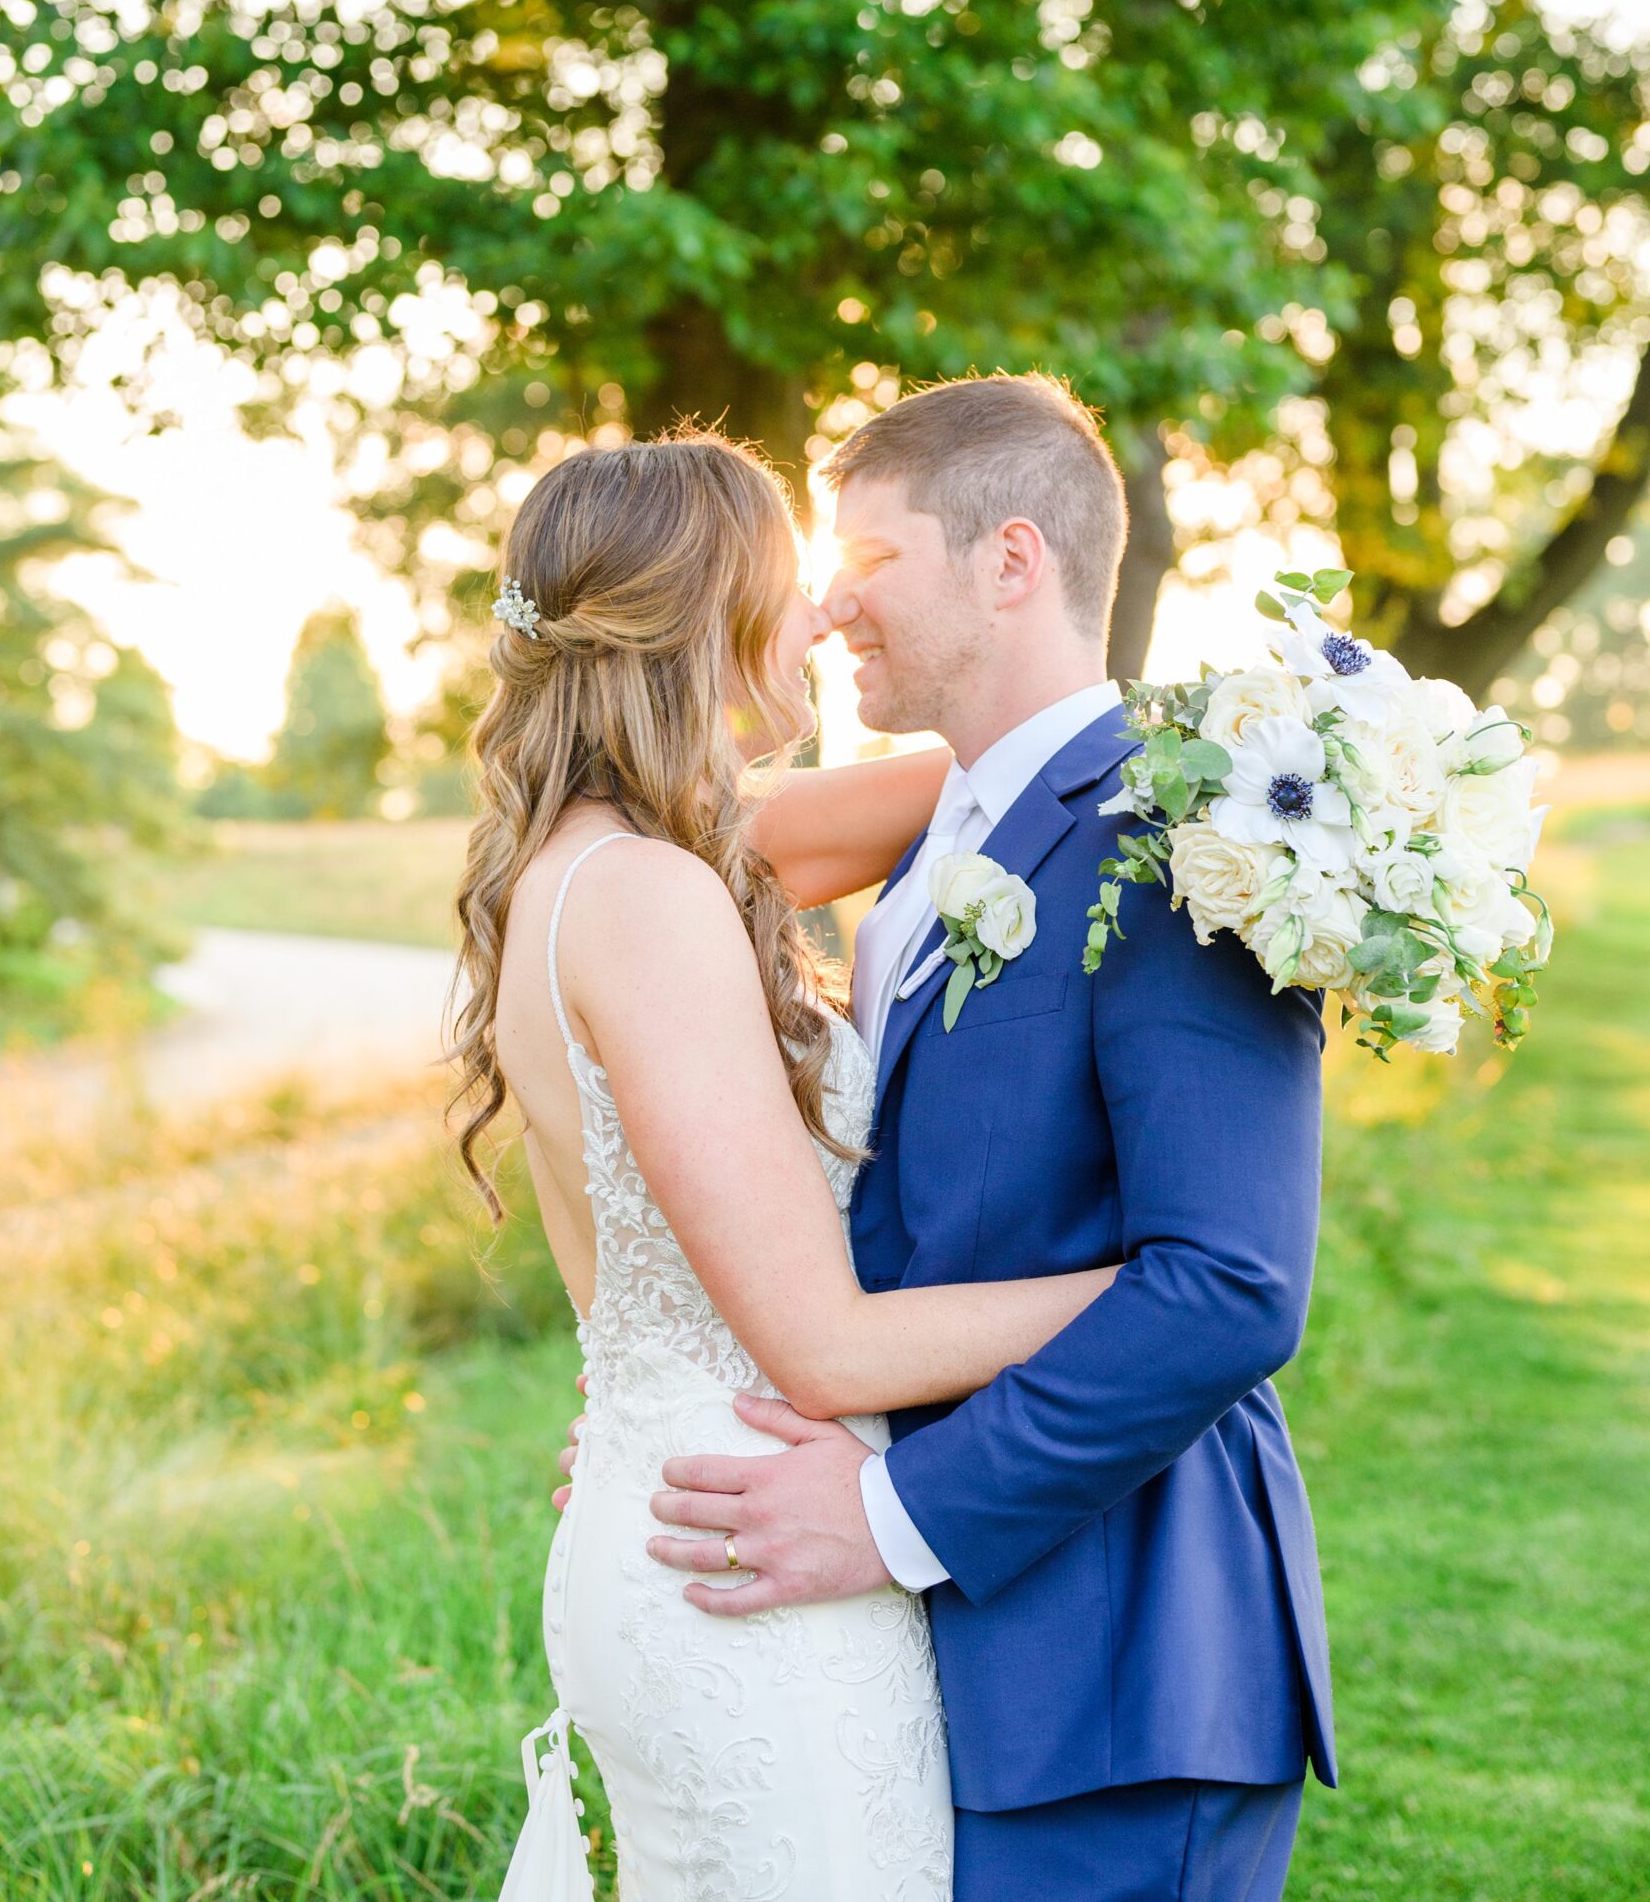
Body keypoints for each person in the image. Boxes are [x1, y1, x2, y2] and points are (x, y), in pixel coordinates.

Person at [642, 374, 1336, 1902]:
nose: (830, 611)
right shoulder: (933, 844)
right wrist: (684, 1405)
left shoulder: (1182, 845)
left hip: (1123, 1667)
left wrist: (892, 1519)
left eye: (870, 563)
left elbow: (1227, 1286)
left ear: (1009, 560)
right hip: (962, 1670)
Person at [450, 428, 1123, 1901]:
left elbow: (1003, 776)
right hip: (755, 1561)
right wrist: (1160, 1292)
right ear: (699, 622)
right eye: (789, 585)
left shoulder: (608, 867)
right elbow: (820, 1346)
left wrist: (1259, 744)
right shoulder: (650, 901)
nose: (822, 612)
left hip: (684, 1507)